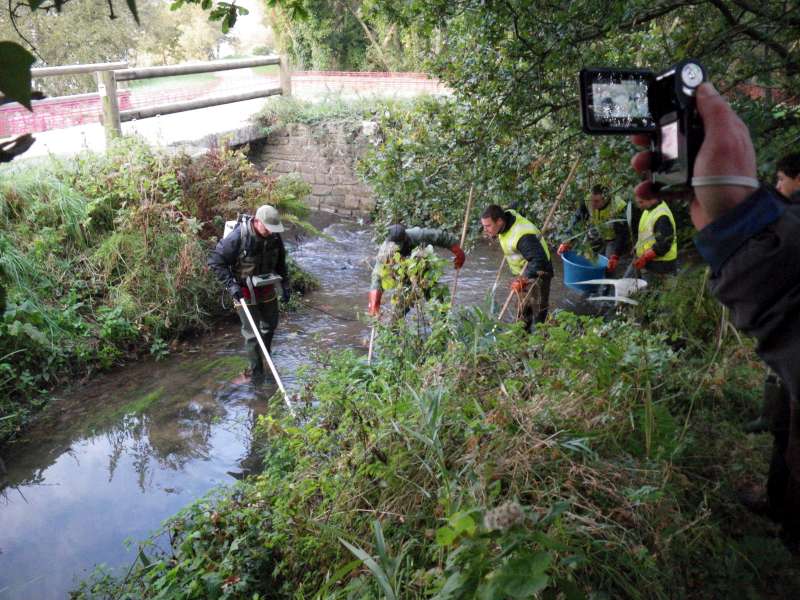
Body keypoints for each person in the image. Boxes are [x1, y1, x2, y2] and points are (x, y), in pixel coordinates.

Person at [630, 82, 800, 551]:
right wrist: (738, 215)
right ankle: (783, 512)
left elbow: (663, 243)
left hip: (663, 270)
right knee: (787, 435)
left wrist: (742, 222)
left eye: (782, 180)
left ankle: (789, 534)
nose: (777, 187)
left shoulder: (663, 215)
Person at [208, 204, 291, 382]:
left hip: (266, 288)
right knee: (252, 334)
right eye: (267, 228)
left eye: (273, 228)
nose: (271, 232)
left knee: (270, 325)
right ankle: (256, 374)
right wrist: (231, 286)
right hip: (244, 291)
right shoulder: (238, 237)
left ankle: (264, 357)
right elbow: (215, 261)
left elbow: (281, 263)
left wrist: (285, 285)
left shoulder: (274, 236)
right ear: (257, 221)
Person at [480, 204, 553, 330]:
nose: (485, 229)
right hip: (524, 272)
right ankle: (522, 336)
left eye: (488, 226)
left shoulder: (523, 237)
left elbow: (539, 260)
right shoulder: (507, 216)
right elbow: (514, 206)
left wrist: (523, 280)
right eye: (484, 226)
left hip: (539, 272)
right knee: (523, 311)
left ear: (499, 221)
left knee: (538, 313)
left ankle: (541, 337)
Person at [367, 224, 465, 317]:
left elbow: (440, 236)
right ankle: (394, 326)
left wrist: (458, 252)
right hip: (404, 277)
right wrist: (374, 302)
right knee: (399, 310)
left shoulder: (417, 235)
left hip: (424, 271)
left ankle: (444, 322)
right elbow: (377, 276)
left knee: (438, 302)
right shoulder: (385, 251)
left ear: (405, 238)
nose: (397, 249)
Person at [557, 184, 630, 274]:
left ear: (606, 198)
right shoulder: (588, 200)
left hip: (612, 238)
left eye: (596, 201)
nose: (593, 204)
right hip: (594, 234)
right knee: (583, 257)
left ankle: (606, 280)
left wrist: (615, 255)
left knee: (609, 265)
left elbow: (622, 234)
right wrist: (567, 240)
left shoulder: (618, 206)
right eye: (592, 200)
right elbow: (576, 220)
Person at [631, 195, 677, 277]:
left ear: (652, 199)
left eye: (641, 202)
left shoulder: (662, 216)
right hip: (650, 263)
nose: (639, 206)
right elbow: (647, 233)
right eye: (638, 202)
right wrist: (637, 247)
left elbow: (663, 245)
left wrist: (644, 258)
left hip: (661, 266)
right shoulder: (649, 209)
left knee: (659, 285)